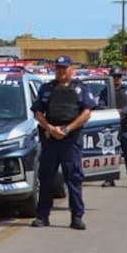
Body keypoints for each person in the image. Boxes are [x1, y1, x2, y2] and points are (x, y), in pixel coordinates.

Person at [30, 56, 96, 230]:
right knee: (45, 178)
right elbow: (38, 113)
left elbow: (87, 113)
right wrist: (51, 129)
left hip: (70, 140)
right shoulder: (46, 88)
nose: (61, 71)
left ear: (71, 69)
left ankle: (77, 217)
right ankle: (42, 216)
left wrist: (67, 129)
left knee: (73, 177)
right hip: (50, 139)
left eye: (64, 68)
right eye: (58, 68)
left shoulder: (81, 88)